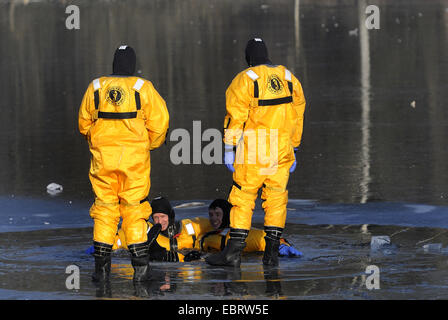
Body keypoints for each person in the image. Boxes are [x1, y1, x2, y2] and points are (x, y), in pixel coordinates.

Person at [206, 38, 306, 267]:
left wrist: (230, 147)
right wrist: (295, 145)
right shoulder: (289, 78)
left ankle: (232, 254)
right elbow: (298, 114)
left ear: (248, 58)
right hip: (282, 151)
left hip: (254, 150)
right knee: (276, 201)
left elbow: (235, 117)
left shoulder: (244, 80)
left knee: (242, 199)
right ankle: (271, 254)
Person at [78, 45, 169, 283]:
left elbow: (83, 124)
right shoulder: (143, 88)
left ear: (114, 64)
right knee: (134, 209)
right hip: (134, 162)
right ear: (133, 65)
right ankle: (140, 269)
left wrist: (98, 142)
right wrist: (148, 144)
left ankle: (101, 268)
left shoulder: (95, 87)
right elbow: (160, 124)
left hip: (103, 162)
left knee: (105, 209)